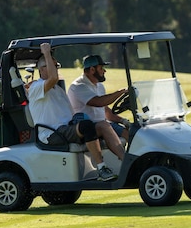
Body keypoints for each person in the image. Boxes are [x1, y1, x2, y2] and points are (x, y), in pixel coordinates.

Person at [27, 43, 121, 181]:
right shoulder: (36, 87)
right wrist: (46, 53)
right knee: (87, 126)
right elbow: (52, 79)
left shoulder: (57, 90)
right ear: (42, 69)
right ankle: (101, 169)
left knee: (102, 125)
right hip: (52, 133)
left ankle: (126, 162)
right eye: (52, 66)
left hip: (66, 129)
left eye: (56, 66)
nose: (56, 69)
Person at [67, 54, 130, 149]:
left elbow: (105, 110)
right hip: (89, 128)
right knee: (106, 128)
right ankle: (124, 159)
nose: (104, 71)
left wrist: (123, 121)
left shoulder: (99, 86)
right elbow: (99, 102)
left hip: (103, 123)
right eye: (101, 68)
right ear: (92, 70)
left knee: (130, 134)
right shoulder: (78, 87)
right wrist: (120, 92)